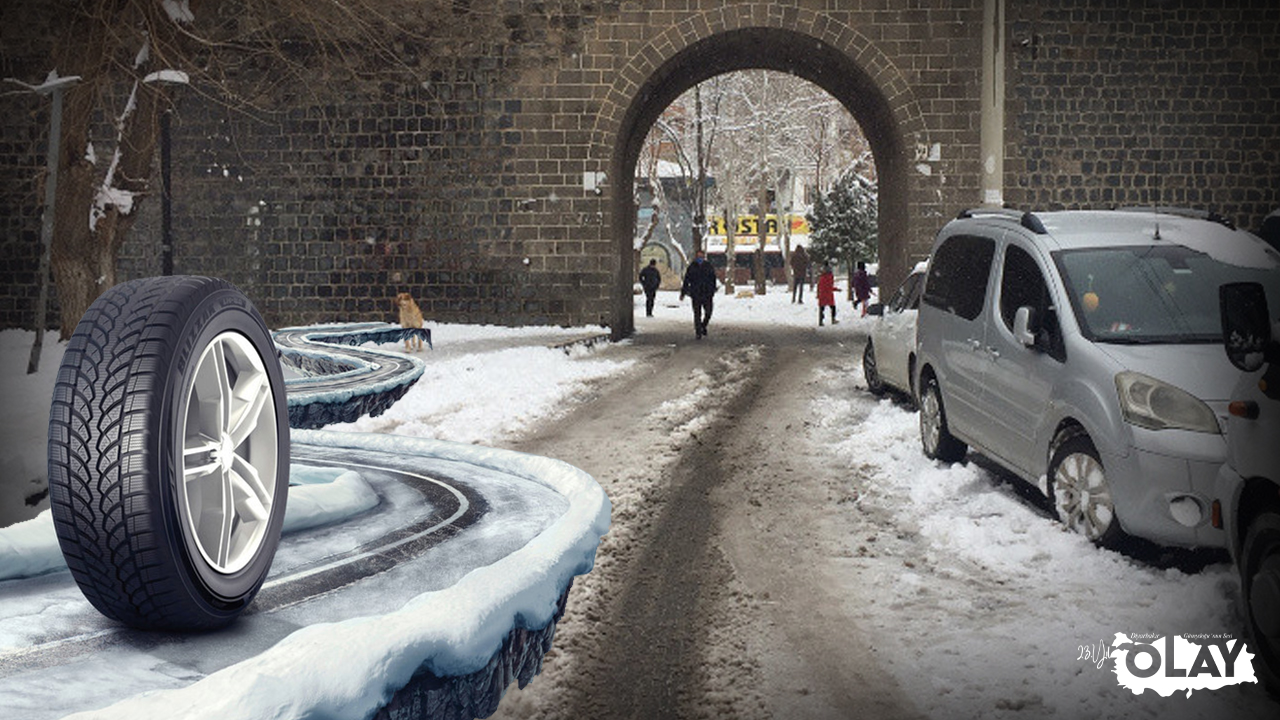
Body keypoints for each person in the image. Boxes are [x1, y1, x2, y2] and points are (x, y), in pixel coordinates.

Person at [680, 249, 718, 339]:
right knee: (697, 314)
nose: (700, 258)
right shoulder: (692, 267)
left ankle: (703, 325)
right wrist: (683, 292)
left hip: (707, 293)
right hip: (696, 293)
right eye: (698, 256)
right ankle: (698, 331)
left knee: (708, 312)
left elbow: (713, 279)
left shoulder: (708, 266)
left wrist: (712, 290)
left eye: (701, 256)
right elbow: (686, 280)